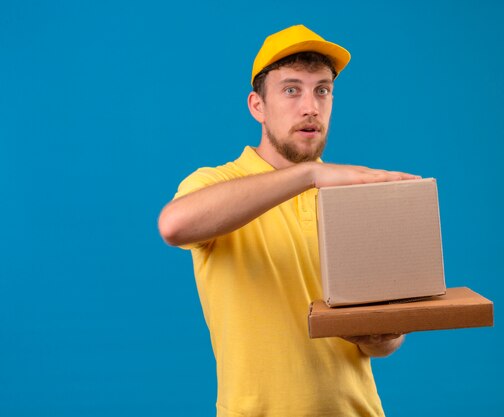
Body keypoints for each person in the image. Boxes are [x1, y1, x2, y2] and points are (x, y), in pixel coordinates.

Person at [158, 24, 418, 417]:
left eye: (322, 90)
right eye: (291, 89)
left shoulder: (352, 195)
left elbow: (381, 344)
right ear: (257, 106)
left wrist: (384, 334)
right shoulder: (217, 183)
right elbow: (173, 225)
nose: (310, 106)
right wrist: (308, 176)